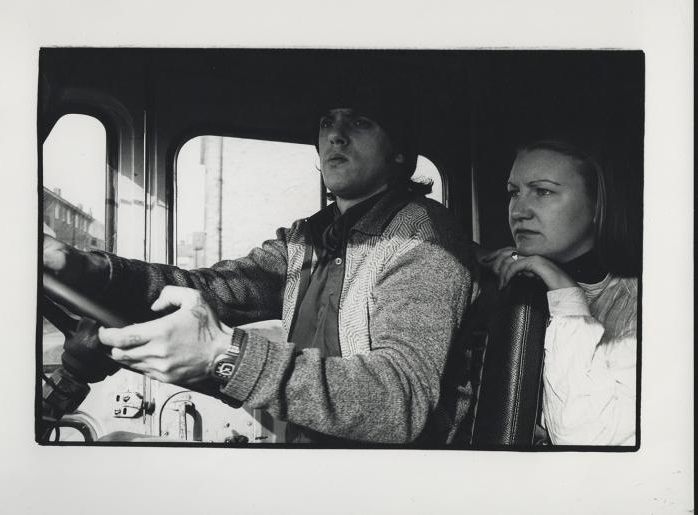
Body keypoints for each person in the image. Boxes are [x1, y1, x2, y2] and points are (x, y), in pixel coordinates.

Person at [43, 99, 477, 445]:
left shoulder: (422, 237)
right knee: (118, 443)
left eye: (360, 123)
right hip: (311, 455)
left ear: (399, 150)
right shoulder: (309, 237)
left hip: (388, 477)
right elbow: (214, 289)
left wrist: (225, 356)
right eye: (328, 121)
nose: (335, 135)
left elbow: (398, 400)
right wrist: (94, 271)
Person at [477, 139, 638, 446]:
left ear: (597, 205)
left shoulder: (636, 306)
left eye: (543, 191)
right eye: (514, 192)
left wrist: (565, 293)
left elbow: (585, 438)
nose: (519, 211)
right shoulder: (510, 276)